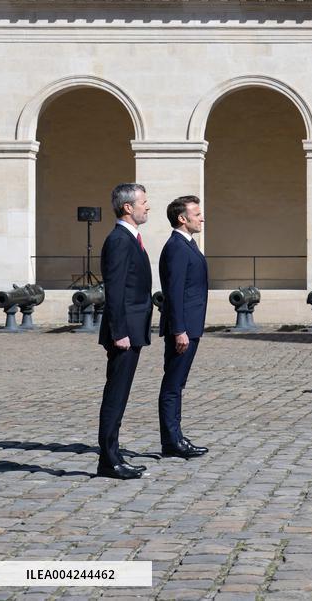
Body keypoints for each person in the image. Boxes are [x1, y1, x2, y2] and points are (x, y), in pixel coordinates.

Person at [97, 183, 152, 480]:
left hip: (132, 329)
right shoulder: (119, 240)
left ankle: (113, 455)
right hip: (124, 333)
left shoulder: (131, 238)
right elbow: (115, 290)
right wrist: (119, 332)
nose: (147, 206)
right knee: (115, 395)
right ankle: (108, 460)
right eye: (143, 202)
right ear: (128, 207)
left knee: (120, 395)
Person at [157, 196, 210, 459]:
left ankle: (176, 437)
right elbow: (174, 292)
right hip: (183, 328)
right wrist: (179, 330)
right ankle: (171, 441)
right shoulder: (177, 247)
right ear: (182, 218)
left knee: (178, 383)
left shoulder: (187, 244)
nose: (202, 218)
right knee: (173, 384)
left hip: (191, 325)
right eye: (197, 214)